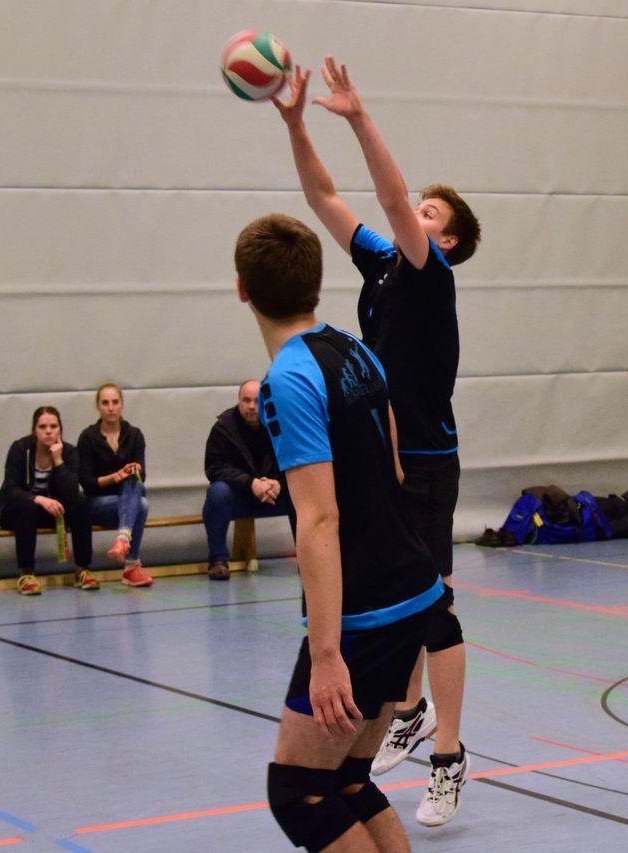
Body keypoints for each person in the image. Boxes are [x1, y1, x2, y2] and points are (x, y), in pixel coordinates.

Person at [273, 56, 480, 827]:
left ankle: (449, 756)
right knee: (394, 604)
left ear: (447, 242)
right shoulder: (385, 265)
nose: (412, 214)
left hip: (425, 460)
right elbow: (324, 197)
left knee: (435, 609)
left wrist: (360, 117)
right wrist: (296, 125)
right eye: (416, 208)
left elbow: (387, 196)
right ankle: (412, 708)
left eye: (431, 213)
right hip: (384, 454)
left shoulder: (429, 275)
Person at [236, 212, 443, 852]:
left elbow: (319, 519)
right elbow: (397, 464)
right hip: (414, 588)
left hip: (367, 614)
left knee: (298, 792)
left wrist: (327, 655)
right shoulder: (354, 348)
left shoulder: (289, 381)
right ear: (316, 282)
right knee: (349, 779)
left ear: (243, 288)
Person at [0, 406, 97, 595]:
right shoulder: (20, 449)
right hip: (17, 510)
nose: (48, 431)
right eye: (42, 427)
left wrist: (58, 461)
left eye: (53, 426)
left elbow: (71, 493)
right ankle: (26, 574)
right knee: (28, 508)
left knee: (81, 504)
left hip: (53, 510)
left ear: (60, 429)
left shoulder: (69, 452)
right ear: (34, 430)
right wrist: (38, 498)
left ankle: (83, 569)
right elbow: (10, 487)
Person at [203, 379, 290, 580]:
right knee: (217, 492)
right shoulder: (223, 428)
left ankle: (308, 557)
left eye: (257, 401)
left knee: (301, 490)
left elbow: (295, 459)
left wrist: (280, 482)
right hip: (240, 497)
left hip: (274, 495)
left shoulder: (280, 424)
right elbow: (214, 468)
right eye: (246, 401)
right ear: (239, 401)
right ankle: (218, 560)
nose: (252, 406)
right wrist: (251, 483)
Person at [77, 383, 153, 588]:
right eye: (105, 403)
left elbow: (142, 476)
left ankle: (123, 539)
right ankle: (131, 564)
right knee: (141, 505)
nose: (111, 408)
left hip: (128, 497)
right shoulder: (88, 437)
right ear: (98, 406)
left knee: (137, 489)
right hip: (98, 503)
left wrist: (132, 471)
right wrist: (114, 477)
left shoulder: (135, 434)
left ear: (122, 405)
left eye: (115, 402)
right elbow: (87, 483)